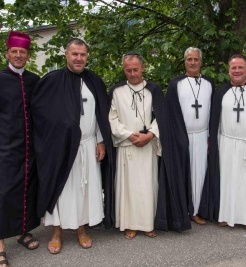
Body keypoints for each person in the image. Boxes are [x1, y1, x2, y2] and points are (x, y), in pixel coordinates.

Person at [31, 38, 114, 253]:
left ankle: (81, 229)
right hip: (61, 147)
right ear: (66, 54)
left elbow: (101, 114)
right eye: (74, 54)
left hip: (88, 145)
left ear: (87, 56)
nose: (79, 58)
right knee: (62, 189)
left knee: (84, 189)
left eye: (83, 54)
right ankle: (57, 232)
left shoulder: (94, 80)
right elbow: (40, 116)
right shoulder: (52, 80)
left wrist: (100, 140)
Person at [208, 54, 246, 232]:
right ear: (228, 71)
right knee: (227, 181)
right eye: (233, 68)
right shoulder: (221, 92)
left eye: (240, 67)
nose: (237, 71)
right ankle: (226, 216)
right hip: (226, 142)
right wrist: (213, 144)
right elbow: (215, 121)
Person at [156, 47, 214, 228]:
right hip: (182, 137)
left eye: (196, 59)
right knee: (184, 173)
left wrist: (211, 136)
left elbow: (214, 112)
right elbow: (169, 113)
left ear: (201, 62)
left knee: (200, 174)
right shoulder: (176, 84)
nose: (193, 62)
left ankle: (197, 211)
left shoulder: (209, 84)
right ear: (185, 62)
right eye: (189, 59)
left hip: (203, 135)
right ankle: (183, 210)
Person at [109, 52, 164, 239]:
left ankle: (148, 223)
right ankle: (130, 224)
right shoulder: (116, 91)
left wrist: (149, 135)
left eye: (135, 69)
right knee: (129, 188)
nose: (132, 74)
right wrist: (130, 136)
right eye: (128, 70)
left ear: (143, 68)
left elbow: (161, 117)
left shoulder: (153, 90)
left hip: (147, 146)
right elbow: (112, 118)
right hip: (128, 146)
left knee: (147, 186)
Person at [0, 31, 40, 267]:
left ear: (27, 55)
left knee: (26, 189)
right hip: (4, 146)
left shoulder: (34, 80)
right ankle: (1, 243)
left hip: (29, 148)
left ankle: (22, 231)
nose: (18, 55)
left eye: (22, 52)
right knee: (3, 194)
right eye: (14, 51)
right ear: (7, 53)